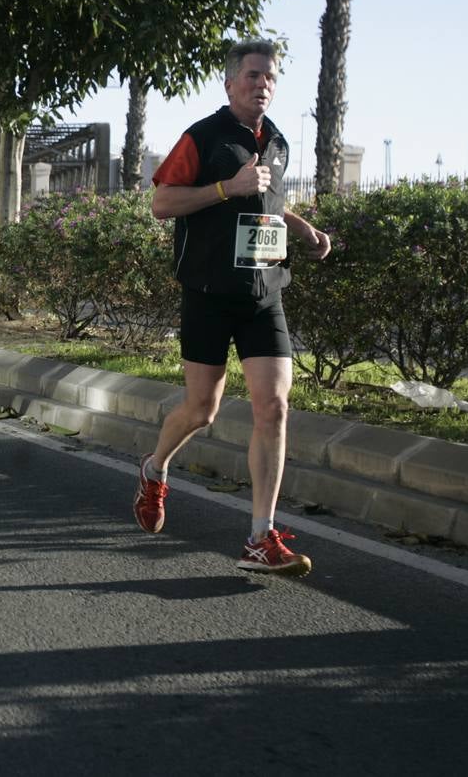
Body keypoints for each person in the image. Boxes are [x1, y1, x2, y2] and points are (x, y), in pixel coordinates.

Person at [139, 38, 332, 577]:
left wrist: (303, 228)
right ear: (230, 83)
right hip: (208, 292)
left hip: (264, 293)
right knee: (202, 410)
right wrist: (227, 186)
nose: (262, 84)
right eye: (252, 75)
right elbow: (162, 203)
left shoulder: (278, 141)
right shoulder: (203, 136)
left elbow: (268, 202)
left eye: (270, 77)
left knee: (274, 406)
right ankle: (155, 468)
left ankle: (259, 538)